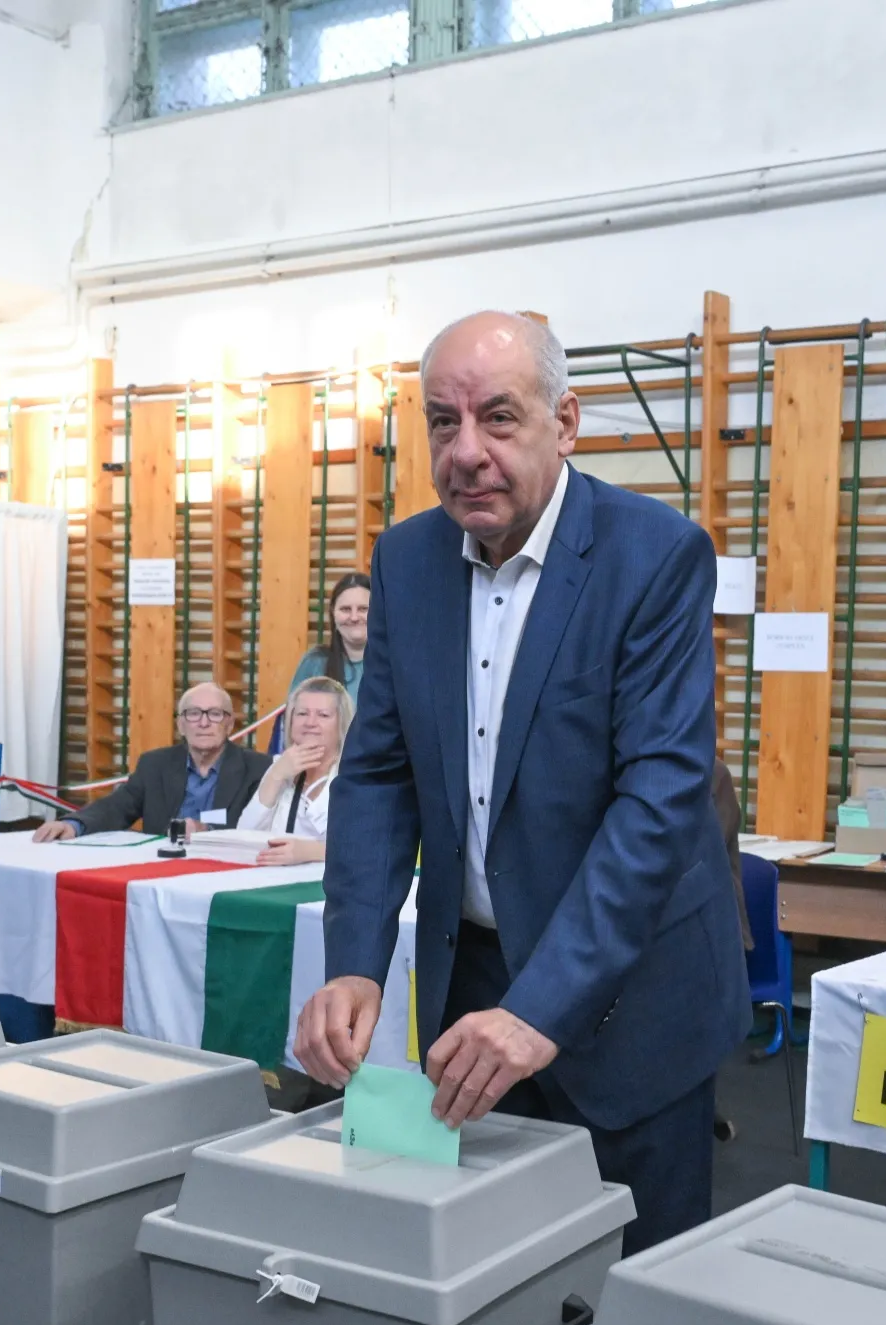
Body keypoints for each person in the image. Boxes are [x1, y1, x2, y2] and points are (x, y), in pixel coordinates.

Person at [294, 310, 748, 1255]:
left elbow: (659, 803)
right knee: (488, 1278)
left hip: (630, 993)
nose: (467, 452)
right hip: (475, 983)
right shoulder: (408, 563)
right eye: (442, 423)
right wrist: (353, 959)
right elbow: (378, 773)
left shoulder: (654, 558)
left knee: (635, 1297)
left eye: (498, 418)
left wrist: (541, 1009)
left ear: (566, 423)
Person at [33, 682, 270, 841]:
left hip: (224, 873)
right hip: (158, 871)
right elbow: (116, 807)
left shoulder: (259, 769)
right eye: (194, 713)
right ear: (181, 725)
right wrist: (74, 825)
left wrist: (206, 830)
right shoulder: (155, 765)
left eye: (215, 714)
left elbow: (258, 829)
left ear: (229, 725)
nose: (204, 723)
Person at [237, 676, 351, 865]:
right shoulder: (279, 766)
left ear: (341, 723)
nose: (310, 722)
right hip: (277, 884)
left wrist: (312, 851)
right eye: (302, 714)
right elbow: (243, 837)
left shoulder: (357, 775)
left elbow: (372, 848)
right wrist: (276, 776)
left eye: (323, 715)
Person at [290, 572, 370, 707]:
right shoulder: (314, 663)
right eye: (345, 609)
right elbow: (292, 719)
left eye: (363, 609)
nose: (354, 617)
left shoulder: (396, 665)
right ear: (333, 615)